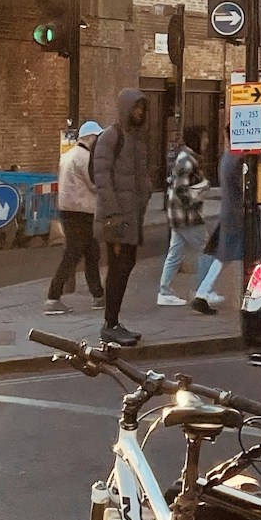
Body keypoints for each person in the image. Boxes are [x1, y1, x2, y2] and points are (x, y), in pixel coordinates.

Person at [90, 89, 153, 345]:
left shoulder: (136, 138)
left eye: (142, 108)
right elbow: (102, 181)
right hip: (117, 220)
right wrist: (115, 217)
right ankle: (110, 324)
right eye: (135, 108)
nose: (139, 112)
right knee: (118, 270)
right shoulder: (110, 137)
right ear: (125, 108)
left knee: (125, 268)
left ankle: (114, 321)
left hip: (131, 218)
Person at [46, 121, 105, 313]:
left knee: (91, 252)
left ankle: (98, 295)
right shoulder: (85, 157)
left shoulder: (67, 155)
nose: (98, 140)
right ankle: (53, 297)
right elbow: (93, 183)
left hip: (68, 207)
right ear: (89, 137)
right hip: (81, 209)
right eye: (96, 137)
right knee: (73, 254)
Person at [158, 127, 213, 312]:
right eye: (204, 137)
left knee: (175, 252)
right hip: (187, 216)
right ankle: (203, 292)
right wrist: (199, 193)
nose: (206, 141)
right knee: (208, 249)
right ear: (196, 139)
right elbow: (182, 190)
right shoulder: (187, 160)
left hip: (178, 216)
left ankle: (164, 292)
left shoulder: (188, 158)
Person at [196, 137, 246, 307]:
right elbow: (242, 187)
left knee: (224, 255)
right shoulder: (238, 160)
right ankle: (203, 291)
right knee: (226, 255)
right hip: (236, 214)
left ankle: (204, 290)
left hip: (229, 211)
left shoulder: (226, 158)